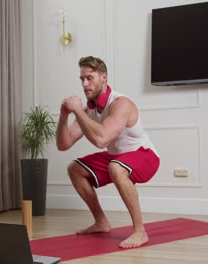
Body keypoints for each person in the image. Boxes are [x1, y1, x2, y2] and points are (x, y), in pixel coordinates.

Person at [56, 56, 160, 248]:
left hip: (145, 155)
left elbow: (101, 139)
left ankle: (140, 231)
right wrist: (63, 117)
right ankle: (101, 222)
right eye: (82, 79)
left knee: (116, 167)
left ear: (104, 77)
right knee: (75, 169)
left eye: (90, 78)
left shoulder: (120, 104)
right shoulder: (89, 110)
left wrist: (78, 111)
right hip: (117, 158)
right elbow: (64, 144)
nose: (85, 84)